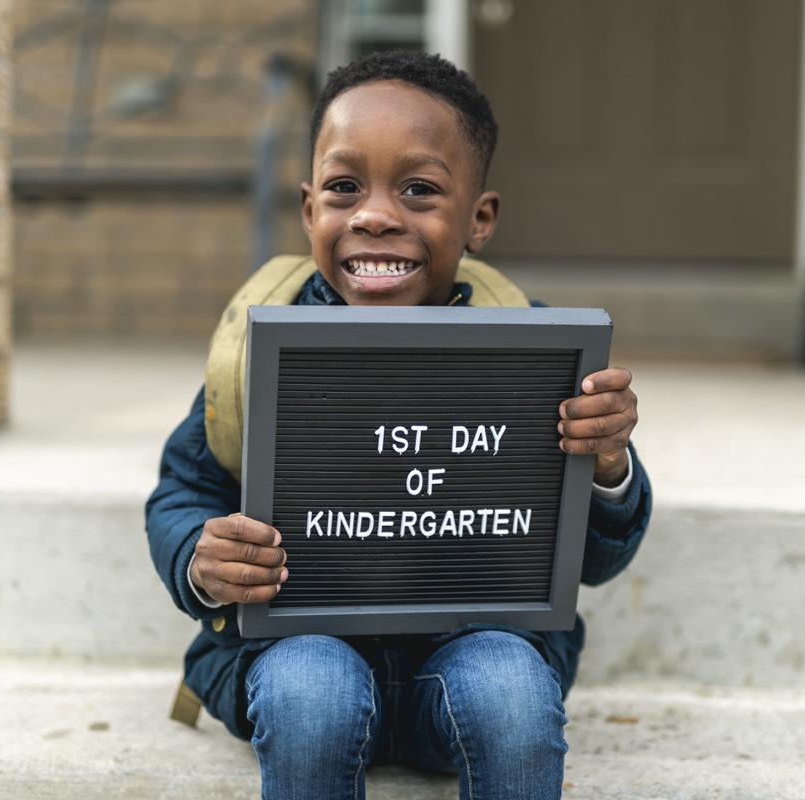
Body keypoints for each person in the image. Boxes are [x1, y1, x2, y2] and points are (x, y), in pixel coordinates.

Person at [146, 49, 651, 800]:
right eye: (346, 188)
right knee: (310, 695)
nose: (376, 216)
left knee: (512, 697)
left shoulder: (536, 351)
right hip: (296, 650)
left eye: (419, 190)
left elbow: (595, 562)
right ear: (311, 208)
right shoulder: (259, 348)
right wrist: (201, 558)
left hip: (470, 652)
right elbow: (183, 490)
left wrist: (607, 465)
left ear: (480, 219)